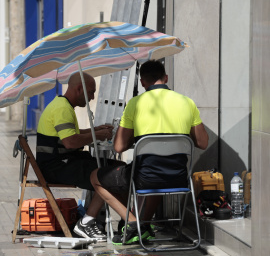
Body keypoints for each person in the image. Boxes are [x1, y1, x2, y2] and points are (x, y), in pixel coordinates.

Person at [90, 60, 209, 245]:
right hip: (178, 177)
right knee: (157, 173)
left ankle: (132, 223)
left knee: (96, 176)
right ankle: (141, 225)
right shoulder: (187, 102)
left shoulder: (135, 103)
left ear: (143, 82)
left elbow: (119, 147)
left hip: (145, 178)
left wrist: (134, 138)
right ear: (166, 78)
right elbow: (202, 142)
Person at [36, 72, 124, 241]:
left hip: (63, 162)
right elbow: (70, 142)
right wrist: (97, 136)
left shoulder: (63, 105)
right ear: (79, 89)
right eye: (90, 92)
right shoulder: (62, 109)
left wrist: (95, 130)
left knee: (118, 169)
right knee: (107, 174)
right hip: (56, 167)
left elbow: (70, 134)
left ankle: (124, 220)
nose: (91, 98)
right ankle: (87, 222)